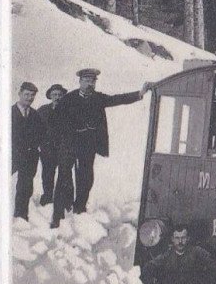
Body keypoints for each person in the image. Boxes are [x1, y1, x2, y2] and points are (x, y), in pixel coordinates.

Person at [52, 68, 152, 228]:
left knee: (86, 178)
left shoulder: (98, 98)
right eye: (86, 81)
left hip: (88, 146)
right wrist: (66, 135)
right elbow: (56, 121)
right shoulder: (68, 98)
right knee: (63, 177)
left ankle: (80, 209)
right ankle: (57, 217)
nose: (90, 84)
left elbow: (117, 99)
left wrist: (139, 93)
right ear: (80, 82)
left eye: (92, 81)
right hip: (69, 145)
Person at [11, 81, 45, 221]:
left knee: (25, 188)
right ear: (19, 94)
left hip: (29, 157)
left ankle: (20, 217)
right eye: (26, 94)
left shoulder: (35, 115)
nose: (29, 98)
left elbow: (41, 134)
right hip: (12, 155)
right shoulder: (9, 112)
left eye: (32, 95)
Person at [36, 84, 67, 205]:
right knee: (47, 174)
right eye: (54, 94)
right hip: (47, 149)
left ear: (63, 96)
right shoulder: (42, 110)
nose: (57, 97)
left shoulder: (69, 110)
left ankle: (62, 200)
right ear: (50, 96)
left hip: (64, 149)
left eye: (60, 95)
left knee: (64, 175)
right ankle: (47, 197)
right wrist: (39, 143)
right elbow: (34, 128)